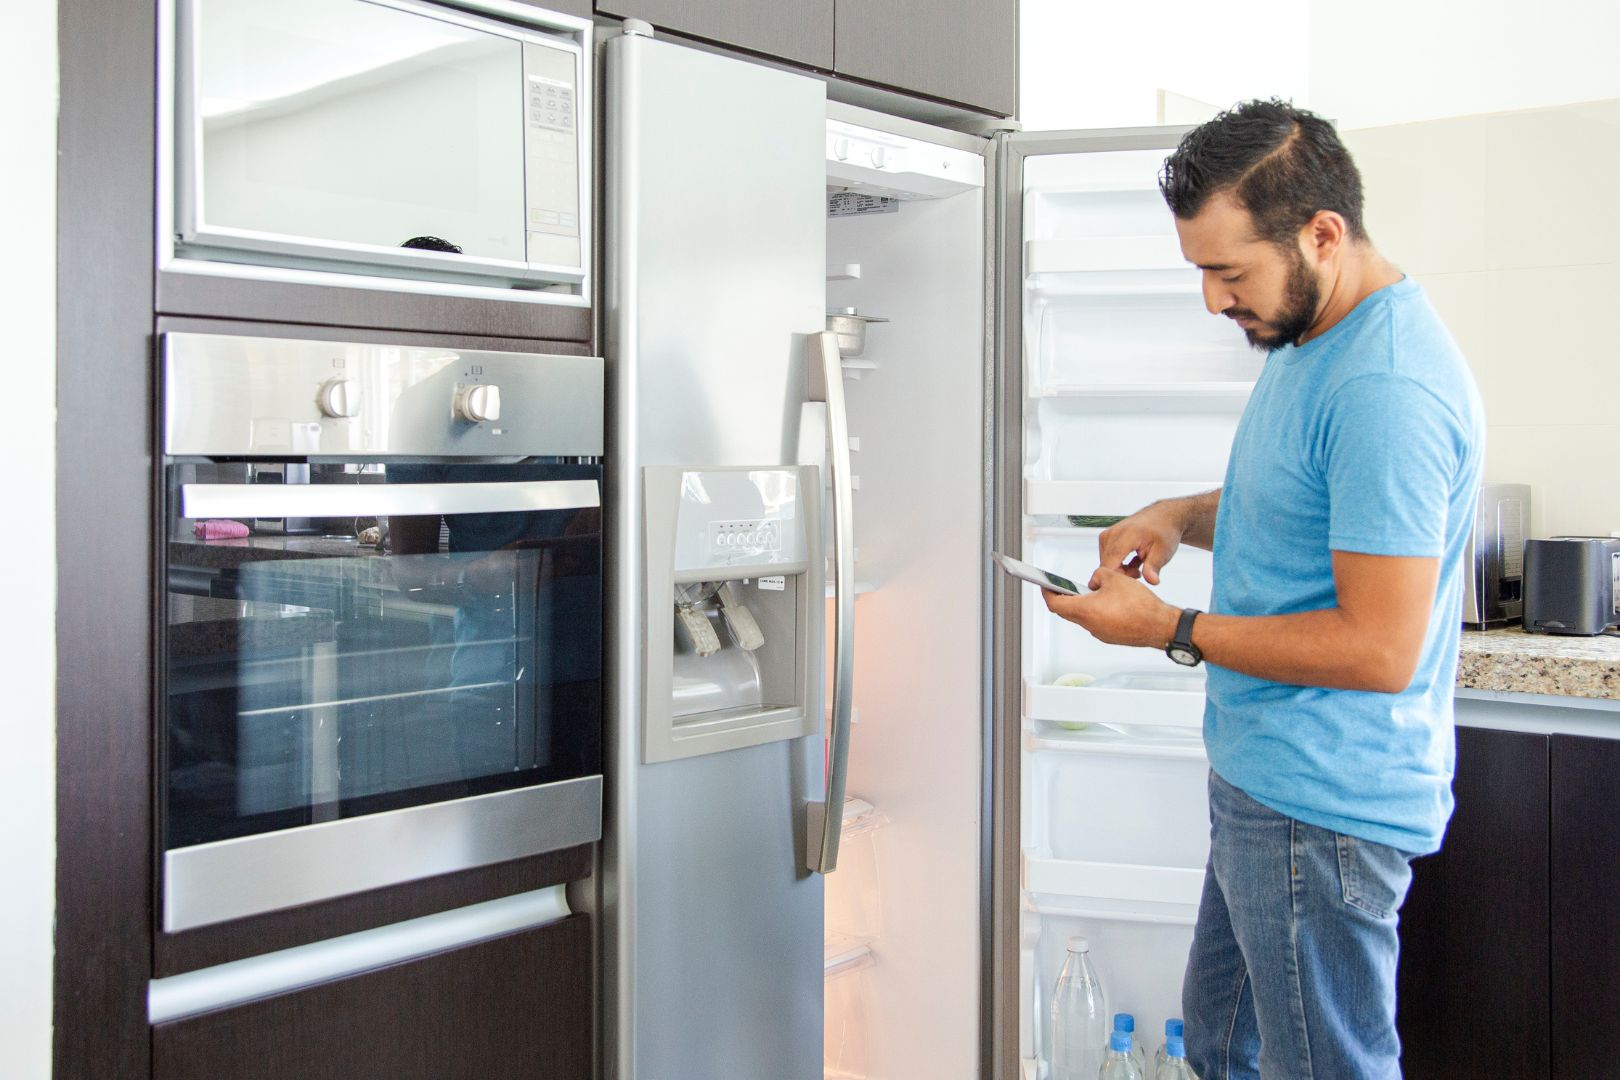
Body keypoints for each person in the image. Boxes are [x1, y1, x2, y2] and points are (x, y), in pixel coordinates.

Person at [1040, 99, 1484, 1080]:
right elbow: (1294, 496)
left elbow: (1379, 649)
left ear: (1322, 235)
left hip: (1319, 808)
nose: (1212, 300)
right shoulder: (1313, 336)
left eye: (1228, 272)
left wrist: (1170, 628)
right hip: (1270, 785)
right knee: (1224, 1039)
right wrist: (1177, 516)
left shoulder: (1387, 387)